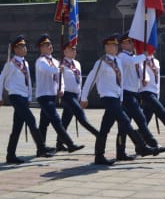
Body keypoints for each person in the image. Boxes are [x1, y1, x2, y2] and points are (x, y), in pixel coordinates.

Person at [81, 33, 159, 165]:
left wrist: (121, 97)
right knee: (125, 122)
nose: (116, 47)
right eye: (113, 45)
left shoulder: (118, 61)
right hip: (107, 97)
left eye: (116, 45)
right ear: (106, 47)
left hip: (116, 98)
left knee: (105, 127)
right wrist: (84, 97)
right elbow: (91, 79)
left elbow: (121, 82)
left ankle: (99, 156)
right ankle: (142, 146)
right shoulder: (101, 62)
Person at [116, 32, 165, 161]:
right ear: (123, 44)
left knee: (124, 126)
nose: (132, 44)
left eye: (131, 42)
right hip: (126, 94)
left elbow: (139, 69)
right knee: (141, 119)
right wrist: (144, 55)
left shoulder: (133, 56)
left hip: (134, 93)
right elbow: (133, 61)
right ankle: (153, 145)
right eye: (129, 42)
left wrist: (143, 78)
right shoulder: (122, 56)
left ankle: (121, 152)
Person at [0, 35, 54, 164]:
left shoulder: (26, 62)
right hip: (15, 96)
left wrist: (30, 96)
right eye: (22, 46)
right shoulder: (10, 63)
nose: (25, 48)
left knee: (17, 127)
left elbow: (29, 81)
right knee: (31, 119)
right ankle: (41, 147)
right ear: (15, 49)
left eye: (25, 46)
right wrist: (0, 96)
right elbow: (1, 79)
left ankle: (10, 155)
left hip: (24, 98)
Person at [35, 33, 84, 154]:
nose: (50, 46)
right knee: (56, 120)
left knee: (44, 123)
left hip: (51, 95)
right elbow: (48, 71)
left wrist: (61, 88)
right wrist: (58, 70)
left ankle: (41, 149)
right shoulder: (41, 61)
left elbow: (60, 78)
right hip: (43, 95)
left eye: (50, 44)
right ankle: (70, 144)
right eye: (46, 45)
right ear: (41, 48)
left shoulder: (56, 61)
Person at [56, 42, 99, 152]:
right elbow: (57, 79)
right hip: (66, 94)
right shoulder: (60, 64)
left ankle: (59, 143)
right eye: (71, 49)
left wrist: (80, 96)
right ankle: (98, 134)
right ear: (65, 51)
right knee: (81, 116)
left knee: (66, 120)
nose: (74, 51)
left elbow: (79, 81)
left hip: (75, 94)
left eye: (75, 49)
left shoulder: (77, 64)